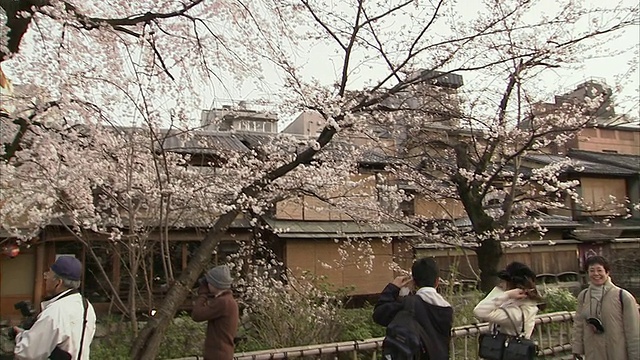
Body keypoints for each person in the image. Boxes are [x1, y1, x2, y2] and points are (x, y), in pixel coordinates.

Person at [14, 256, 97, 360]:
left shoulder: (55, 312)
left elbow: (28, 353)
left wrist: (20, 336)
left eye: (48, 273)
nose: (45, 278)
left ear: (58, 282)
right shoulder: (87, 306)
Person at [372, 257, 454, 360]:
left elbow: (379, 314)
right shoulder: (447, 309)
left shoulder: (408, 304)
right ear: (437, 281)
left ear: (414, 282)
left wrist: (393, 288)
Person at [571, 255, 640, 360]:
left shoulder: (622, 296)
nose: (596, 274)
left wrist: (635, 356)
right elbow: (578, 325)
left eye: (599, 270)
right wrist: (577, 349)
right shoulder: (584, 296)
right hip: (593, 352)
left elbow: (633, 330)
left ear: (607, 272)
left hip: (618, 352)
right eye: (592, 270)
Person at [473, 261, 541, 339]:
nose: (500, 284)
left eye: (504, 281)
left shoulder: (516, 312)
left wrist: (506, 294)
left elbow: (479, 311)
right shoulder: (521, 304)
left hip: (506, 349)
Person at [191, 264, 239, 360]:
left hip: (217, 356)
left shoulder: (223, 302)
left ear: (215, 284)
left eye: (209, 282)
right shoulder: (228, 300)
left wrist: (202, 294)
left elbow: (196, 315)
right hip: (223, 355)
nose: (207, 285)